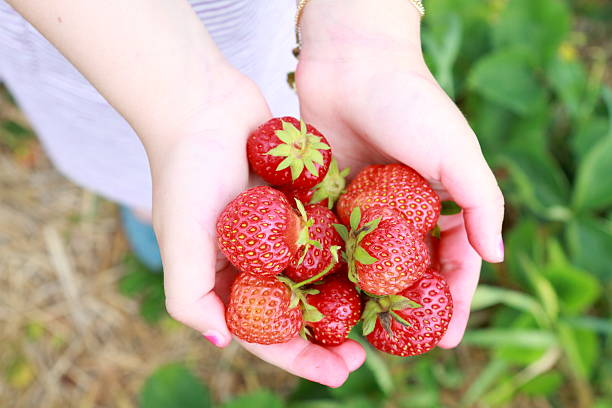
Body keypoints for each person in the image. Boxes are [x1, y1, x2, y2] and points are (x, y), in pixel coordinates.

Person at [0, 0, 505, 387]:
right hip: (88, 28)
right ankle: (146, 201)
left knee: (262, 116)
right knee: (136, 153)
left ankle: (164, 202)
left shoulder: (323, 228)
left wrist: (365, 34)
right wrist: (186, 109)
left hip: (265, 22)